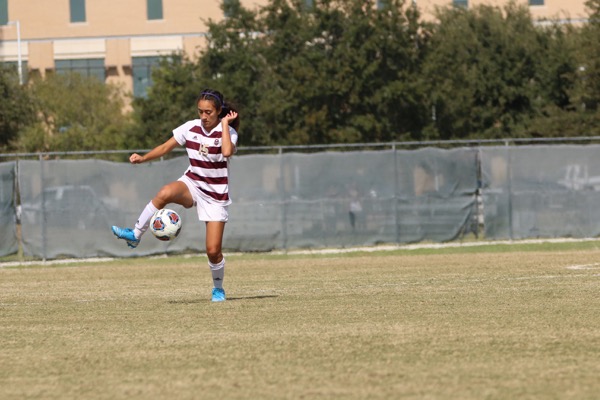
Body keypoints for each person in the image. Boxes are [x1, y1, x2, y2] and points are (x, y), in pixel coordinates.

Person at [111, 89, 239, 302]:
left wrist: (226, 125)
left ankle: (218, 288)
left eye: (209, 112)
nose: (204, 116)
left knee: (213, 251)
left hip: (215, 195)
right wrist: (143, 159)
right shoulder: (190, 128)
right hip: (193, 183)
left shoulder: (229, 133)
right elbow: (164, 147)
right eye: (201, 112)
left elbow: (226, 152)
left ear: (218, 112)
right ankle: (135, 234)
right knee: (165, 192)